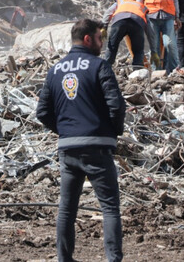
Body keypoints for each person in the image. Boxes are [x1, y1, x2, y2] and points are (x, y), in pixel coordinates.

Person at [36, 19, 126, 262]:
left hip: (68, 149)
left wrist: (65, 131)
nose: (101, 43)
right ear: (88, 39)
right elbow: (116, 105)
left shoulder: (55, 70)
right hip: (97, 146)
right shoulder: (99, 66)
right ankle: (113, 259)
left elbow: (42, 112)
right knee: (109, 208)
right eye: (99, 38)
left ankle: (64, 259)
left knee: (67, 209)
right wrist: (113, 132)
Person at [136, 0, 180, 73]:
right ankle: (156, 72)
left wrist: (177, 17)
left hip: (168, 16)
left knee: (170, 44)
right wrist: (140, 14)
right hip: (152, 15)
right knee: (154, 47)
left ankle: (175, 70)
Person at [101, 0, 160, 68]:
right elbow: (150, 32)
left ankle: (105, 69)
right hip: (137, 23)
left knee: (112, 47)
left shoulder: (121, 1)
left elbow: (108, 12)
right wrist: (154, 51)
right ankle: (138, 73)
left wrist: (104, 26)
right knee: (138, 51)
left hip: (120, 20)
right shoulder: (142, 7)